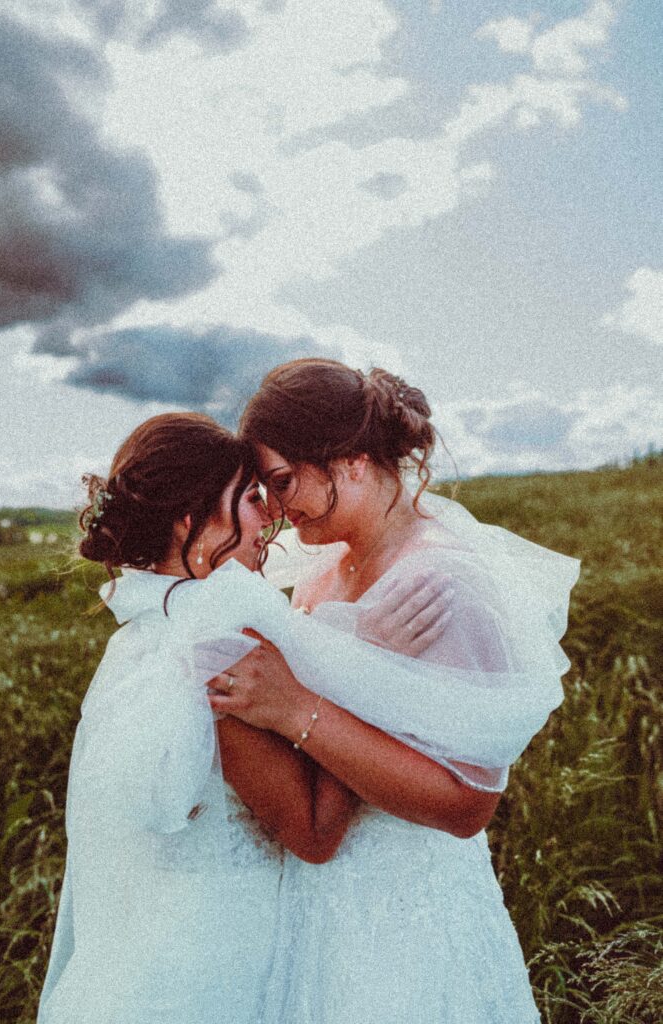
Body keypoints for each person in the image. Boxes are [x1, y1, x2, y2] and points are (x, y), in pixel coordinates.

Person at [38, 411, 450, 1024]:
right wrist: (372, 672)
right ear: (190, 519)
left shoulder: (140, 637)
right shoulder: (221, 643)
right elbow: (312, 834)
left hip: (131, 962)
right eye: (251, 498)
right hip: (212, 972)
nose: (272, 516)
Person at [206, 358, 580, 1024]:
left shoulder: (441, 583)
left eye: (284, 480)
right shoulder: (323, 573)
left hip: (409, 917)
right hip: (322, 904)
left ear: (348, 461)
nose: (277, 509)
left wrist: (297, 709)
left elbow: (467, 805)